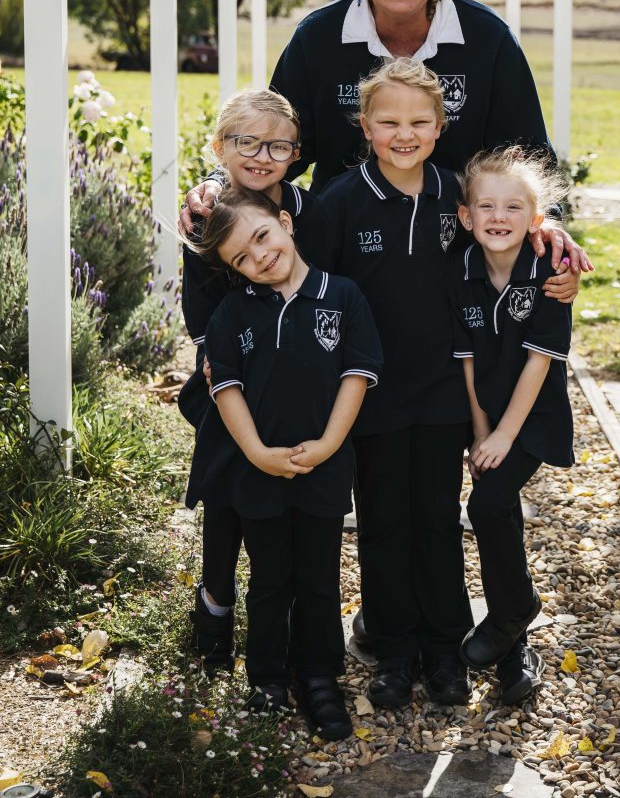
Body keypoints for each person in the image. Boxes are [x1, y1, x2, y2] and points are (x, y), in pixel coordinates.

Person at [180, 0, 591, 293]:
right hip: (343, 253)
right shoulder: (318, 39)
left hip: (461, 256)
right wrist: (218, 182)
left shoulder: (488, 40)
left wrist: (549, 223)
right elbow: (274, 137)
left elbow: (529, 155)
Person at [318, 59, 547, 710]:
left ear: (441, 127)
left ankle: (445, 647)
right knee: (384, 521)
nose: (404, 133)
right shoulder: (341, 203)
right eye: (388, 121)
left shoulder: (457, 197)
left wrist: (555, 248)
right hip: (372, 395)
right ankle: (394, 650)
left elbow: (514, 238)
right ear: (365, 126)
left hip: (446, 392)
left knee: (439, 520)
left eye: (419, 121)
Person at [185, 189, 382, 739]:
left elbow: (357, 376)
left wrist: (326, 445)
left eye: (262, 237)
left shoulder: (342, 297)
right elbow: (225, 388)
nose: (260, 257)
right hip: (258, 470)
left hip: (324, 464)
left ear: (286, 223)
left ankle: (319, 676)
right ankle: (267, 678)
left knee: (318, 578)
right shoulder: (233, 312)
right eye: (241, 258)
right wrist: (256, 453)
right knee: (270, 579)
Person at [179, 90, 329, 676]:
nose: (262, 156)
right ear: (220, 147)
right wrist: (218, 358)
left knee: (283, 492)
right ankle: (215, 601)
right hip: (228, 371)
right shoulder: (207, 212)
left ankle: (285, 611)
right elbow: (199, 305)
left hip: (296, 375)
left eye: (278, 145)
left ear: (296, 153)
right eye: (246, 142)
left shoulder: (307, 211)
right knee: (227, 489)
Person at [449, 147, 574, 706]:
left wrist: (502, 437)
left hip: (533, 418)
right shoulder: (462, 270)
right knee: (492, 505)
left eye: (514, 207)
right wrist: (480, 432)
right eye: (487, 206)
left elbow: (538, 362)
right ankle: (514, 638)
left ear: (536, 218)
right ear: (466, 216)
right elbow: (468, 361)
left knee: (485, 504)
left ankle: (511, 613)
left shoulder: (551, 272)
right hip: (490, 415)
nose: (499, 217)